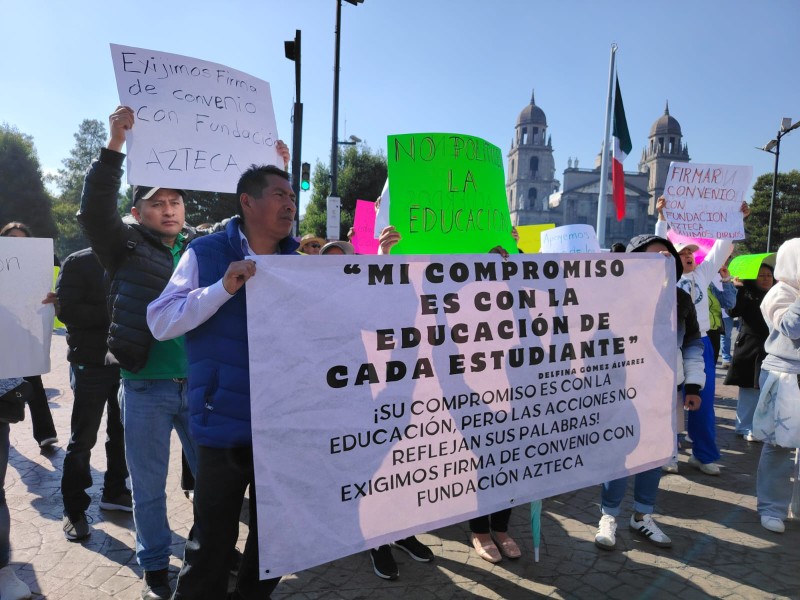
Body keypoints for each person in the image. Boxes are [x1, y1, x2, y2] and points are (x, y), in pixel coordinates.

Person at [147, 164, 299, 598]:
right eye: (278, 194)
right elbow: (160, 321)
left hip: (283, 426)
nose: (289, 203)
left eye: (291, 196)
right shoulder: (206, 253)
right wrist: (222, 288)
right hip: (223, 423)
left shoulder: (302, 263)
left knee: (274, 542)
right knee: (211, 542)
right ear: (247, 202)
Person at [76, 106, 200, 600]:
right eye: (156, 202)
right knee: (147, 489)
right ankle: (153, 567)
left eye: (176, 201)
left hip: (200, 387)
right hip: (145, 386)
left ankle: (204, 552)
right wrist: (114, 144)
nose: (169, 209)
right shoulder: (123, 247)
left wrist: (270, 163)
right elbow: (92, 209)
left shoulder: (200, 251)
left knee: (215, 484)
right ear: (137, 213)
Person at [595, 234, 704, 550]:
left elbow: (694, 343)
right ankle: (609, 515)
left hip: (664, 390)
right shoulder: (612, 299)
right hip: (620, 391)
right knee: (618, 455)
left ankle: (642, 515)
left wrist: (694, 384)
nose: (661, 262)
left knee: (653, 456)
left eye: (666, 256)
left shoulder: (681, 300)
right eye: (652, 256)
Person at [655, 197, 749, 475]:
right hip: (669, 343)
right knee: (669, 401)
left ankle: (703, 454)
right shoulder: (664, 274)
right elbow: (656, 248)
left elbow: (721, 247)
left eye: (692, 253)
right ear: (672, 255)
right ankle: (667, 453)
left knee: (704, 401)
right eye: (683, 252)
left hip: (700, 343)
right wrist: (662, 217)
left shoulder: (704, 273)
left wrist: (736, 217)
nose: (689, 256)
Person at [57, 248, 131, 541]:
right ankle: (74, 509)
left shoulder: (130, 256)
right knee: (83, 436)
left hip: (126, 361)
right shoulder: (78, 261)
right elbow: (68, 312)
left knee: (121, 430)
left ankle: (115, 490)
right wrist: (119, 310)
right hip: (90, 361)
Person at [0, 222, 59, 449]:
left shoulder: (40, 261)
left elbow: (57, 281)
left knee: (33, 379)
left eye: (22, 240)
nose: (17, 244)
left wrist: (55, 297)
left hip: (26, 331)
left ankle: (45, 433)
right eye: (12, 239)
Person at [723, 263, 774, 441]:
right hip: (750, 346)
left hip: (771, 348)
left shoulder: (777, 294)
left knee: (767, 388)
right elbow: (733, 311)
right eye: (761, 275)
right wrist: (738, 289)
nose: (766, 278)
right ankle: (744, 427)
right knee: (749, 389)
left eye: (769, 275)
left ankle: (762, 426)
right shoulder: (745, 293)